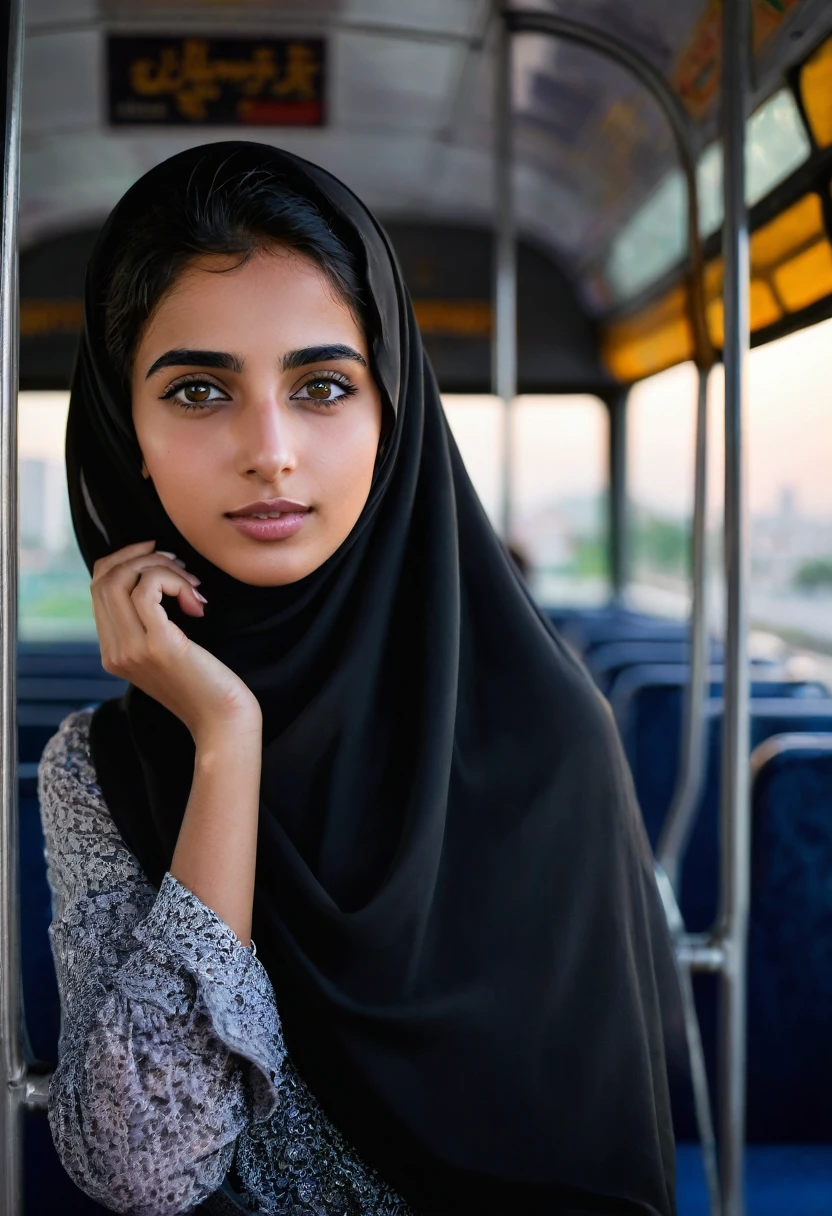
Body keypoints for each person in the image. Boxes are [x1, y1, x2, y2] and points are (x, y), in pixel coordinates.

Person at [41, 142, 679, 1216]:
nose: (272, 450)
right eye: (199, 390)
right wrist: (223, 743)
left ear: (391, 416)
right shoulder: (98, 770)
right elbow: (145, 1166)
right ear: (129, 433)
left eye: (323, 385)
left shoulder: (544, 735)